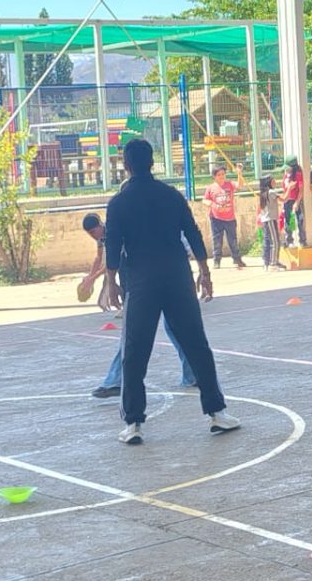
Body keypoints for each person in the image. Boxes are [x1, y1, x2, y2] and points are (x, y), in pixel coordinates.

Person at [104, 139, 240, 445]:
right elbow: (192, 232)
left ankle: (133, 423)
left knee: (134, 352)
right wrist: (204, 271)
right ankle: (217, 413)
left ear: (125, 165)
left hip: (141, 281)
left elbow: (112, 244)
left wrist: (111, 282)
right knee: (197, 346)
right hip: (177, 277)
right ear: (152, 163)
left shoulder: (119, 203)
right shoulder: (170, 195)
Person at [82, 212, 196, 398]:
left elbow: (115, 261)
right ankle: (193, 374)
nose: (93, 236)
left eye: (93, 231)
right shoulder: (116, 234)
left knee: (133, 334)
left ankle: (115, 381)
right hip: (152, 283)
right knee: (173, 329)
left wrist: (109, 284)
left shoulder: (124, 229)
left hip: (146, 286)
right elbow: (107, 259)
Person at [202, 164, 246, 269]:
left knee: (233, 240)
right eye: (219, 175)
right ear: (214, 176)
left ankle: (237, 259)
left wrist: (239, 173)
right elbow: (204, 200)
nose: (221, 176)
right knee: (217, 241)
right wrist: (212, 204)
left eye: (223, 174)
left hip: (230, 218)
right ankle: (217, 261)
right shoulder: (210, 188)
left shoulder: (229, 184)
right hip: (216, 219)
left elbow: (240, 185)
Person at [258, 176, 285, 271]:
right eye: (273, 181)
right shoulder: (271, 192)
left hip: (266, 220)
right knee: (275, 241)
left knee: (268, 241)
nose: (275, 182)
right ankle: (273, 263)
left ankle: (269, 261)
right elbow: (284, 199)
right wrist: (290, 188)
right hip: (270, 220)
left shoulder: (263, 194)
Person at [281, 158, 306, 248]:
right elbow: (284, 189)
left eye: (288, 167)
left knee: (300, 220)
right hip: (287, 201)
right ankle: (289, 241)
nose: (286, 169)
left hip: (295, 200)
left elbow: (301, 190)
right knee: (288, 221)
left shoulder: (298, 175)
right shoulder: (286, 175)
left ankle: (302, 241)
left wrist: (297, 202)